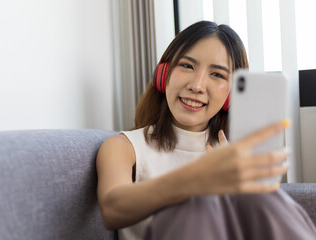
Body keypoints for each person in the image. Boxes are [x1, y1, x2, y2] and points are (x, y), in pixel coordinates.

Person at [96, 21, 316, 240]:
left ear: (231, 94)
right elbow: (112, 209)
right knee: (202, 202)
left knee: (266, 197)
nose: (197, 86)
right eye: (187, 66)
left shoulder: (231, 154)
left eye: (217, 75)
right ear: (163, 75)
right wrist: (197, 179)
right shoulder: (124, 147)